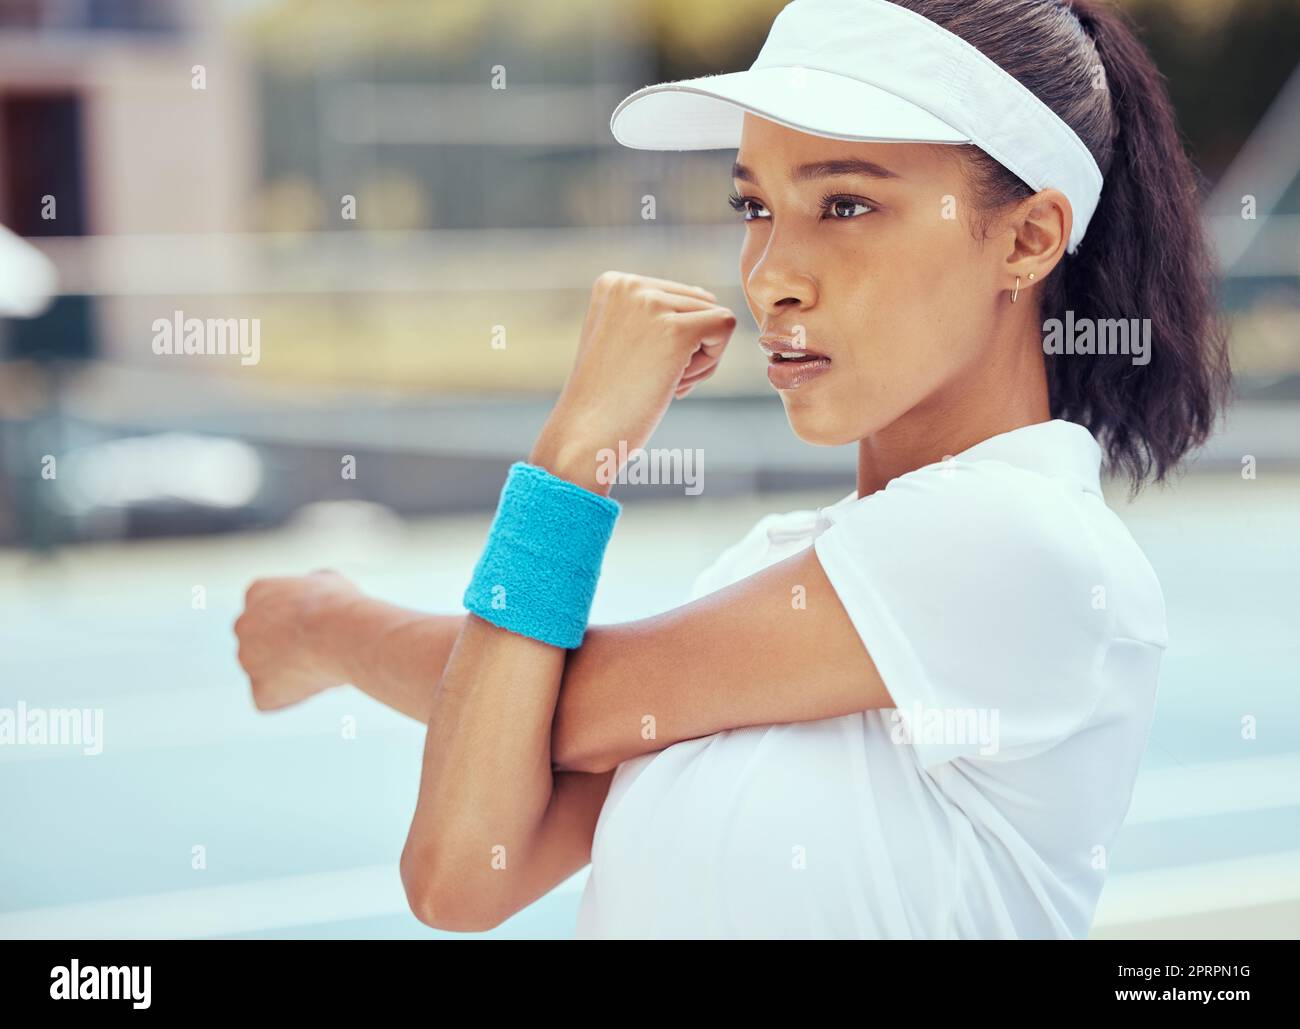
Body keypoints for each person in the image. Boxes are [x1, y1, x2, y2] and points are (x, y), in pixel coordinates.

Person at [233, 0, 1231, 938]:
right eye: (753, 203)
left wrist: (332, 623)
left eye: (843, 205)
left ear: (1026, 238)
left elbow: (553, 705)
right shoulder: (767, 572)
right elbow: (464, 872)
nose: (768, 275)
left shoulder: (1018, 537)